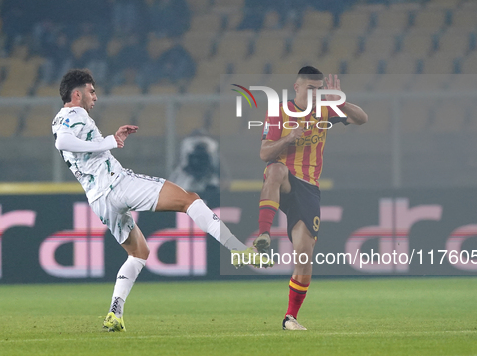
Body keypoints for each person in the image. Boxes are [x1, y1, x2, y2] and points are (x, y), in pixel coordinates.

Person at [52, 69, 271, 332]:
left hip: (98, 200)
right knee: (189, 199)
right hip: (117, 184)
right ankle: (239, 249)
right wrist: (109, 141)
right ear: (77, 94)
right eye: (91, 91)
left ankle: (115, 312)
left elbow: (70, 142)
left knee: (139, 253)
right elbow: (63, 143)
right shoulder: (75, 114)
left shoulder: (59, 119)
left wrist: (110, 139)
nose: (95, 97)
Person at [254, 66, 368, 330]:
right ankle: (263, 234)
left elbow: (362, 118)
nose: (316, 93)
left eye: (320, 89)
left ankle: (290, 318)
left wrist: (340, 100)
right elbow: (264, 153)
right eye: (311, 88)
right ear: (297, 87)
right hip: (283, 180)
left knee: (304, 257)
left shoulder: (326, 109)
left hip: (308, 187)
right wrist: (288, 137)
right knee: (275, 169)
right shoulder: (278, 112)